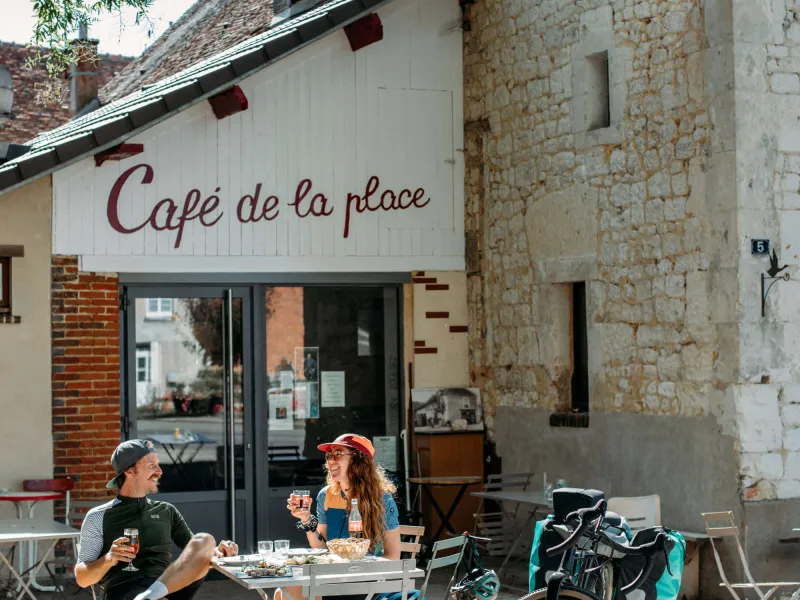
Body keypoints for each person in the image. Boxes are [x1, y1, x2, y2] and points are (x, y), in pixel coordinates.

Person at [74, 439, 239, 600]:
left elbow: (197, 555)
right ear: (129, 471)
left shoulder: (166, 510)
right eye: (151, 465)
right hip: (125, 591)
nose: (160, 471)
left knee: (205, 540)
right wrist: (108, 559)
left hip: (167, 587)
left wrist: (219, 551)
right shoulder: (98, 516)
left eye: (158, 465)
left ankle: (150, 596)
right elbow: (82, 578)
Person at [276, 433, 400, 600]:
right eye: (329, 456)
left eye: (338, 454)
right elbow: (320, 547)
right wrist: (306, 518)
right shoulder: (325, 496)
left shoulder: (382, 500)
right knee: (282, 592)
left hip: (367, 582)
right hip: (331, 576)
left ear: (358, 461)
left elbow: (393, 556)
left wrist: (357, 569)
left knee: (305, 594)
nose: (330, 460)